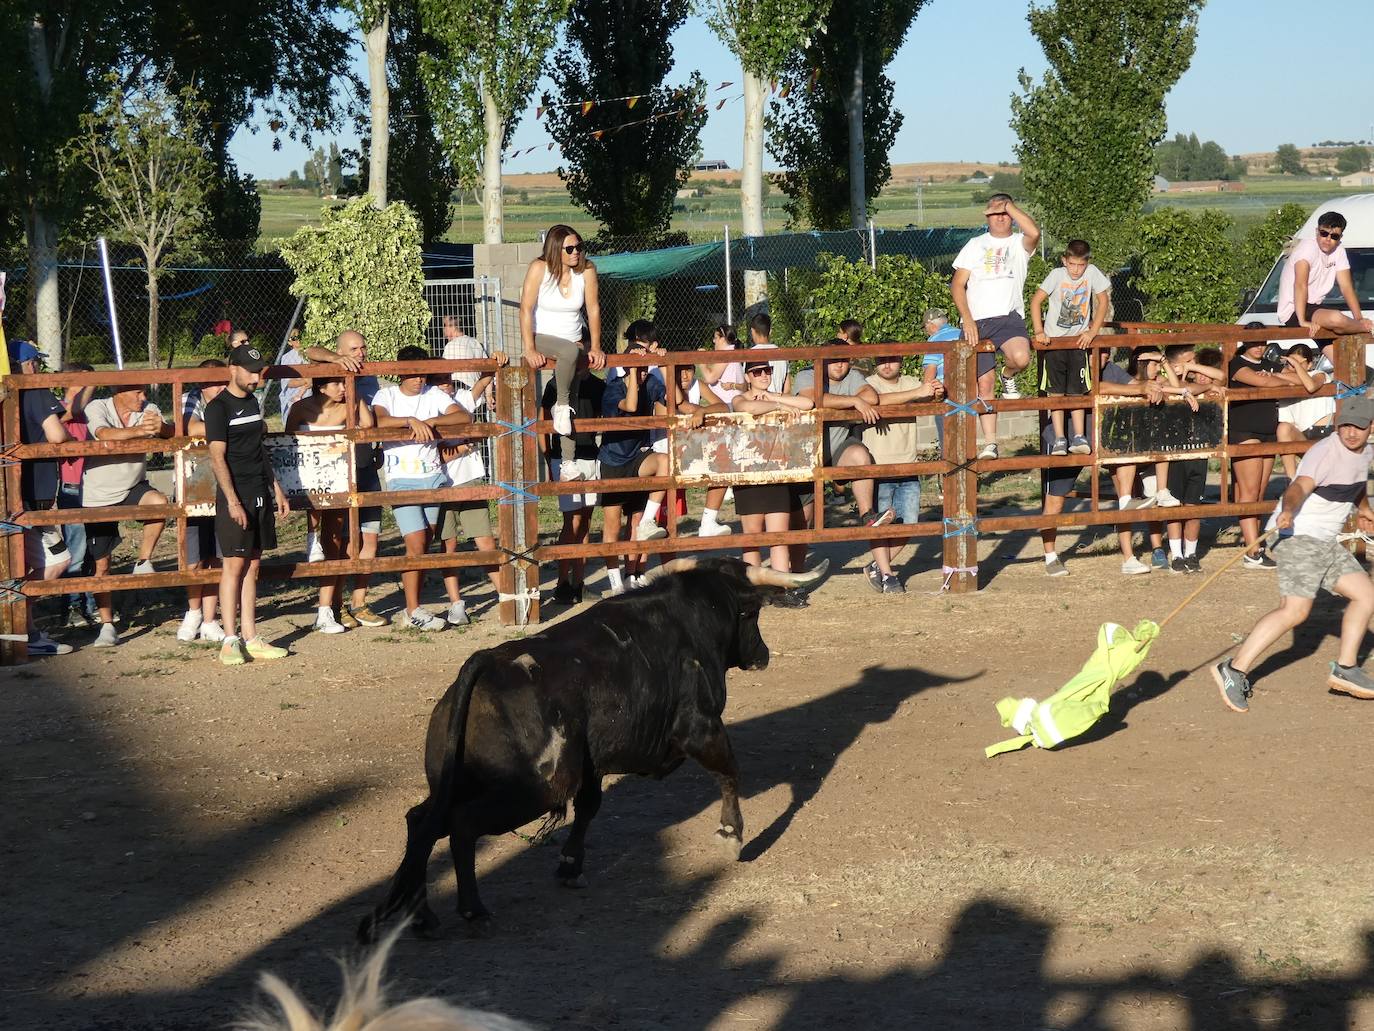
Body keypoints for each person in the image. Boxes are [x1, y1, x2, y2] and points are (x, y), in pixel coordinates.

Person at [1213, 395, 1374, 713]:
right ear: (1338, 426)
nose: (1352, 433)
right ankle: (1233, 670)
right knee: (1295, 611)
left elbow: (1355, 484)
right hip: (1297, 535)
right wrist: (1287, 510)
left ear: (1371, 428)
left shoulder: (1364, 452)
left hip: (1324, 540)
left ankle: (1345, 668)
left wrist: (1365, 510)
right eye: (1346, 426)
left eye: (1359, 427)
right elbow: (1299, 486)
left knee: (1366, 596)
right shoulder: (1326, 452)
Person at [372, 345, 473, 630]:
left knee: (424, 542)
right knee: (415, 544)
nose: (420, 380)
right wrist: (409, 421)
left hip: (432, 477)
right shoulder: (387, 395)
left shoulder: (434, 393)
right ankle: (412, 609)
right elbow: (378, 419)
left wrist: (432, 421)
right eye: (414, 374)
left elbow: (464, 417)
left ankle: (413, 607)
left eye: (423, 374)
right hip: (401, 479)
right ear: (401, 372)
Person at [204, 343, 291, 665]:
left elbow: (259, 449)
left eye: (259, 372)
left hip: (259, 492)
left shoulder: (254, 402)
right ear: (233, 370)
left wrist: (276, 488)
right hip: (235, 494)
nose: (257, 378)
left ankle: (251, 637)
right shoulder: (218, 408)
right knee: (234, 565)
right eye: (251, 372)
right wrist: (232, 501)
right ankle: (229, 639)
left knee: (253, 565)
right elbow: (216, 456)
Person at [790, 338, 896, 575]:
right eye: (835, 359)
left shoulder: (852, 377)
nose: (840, 365)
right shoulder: (807, 375)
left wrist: (858, 399)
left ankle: (867, 515)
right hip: (804, 453)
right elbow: (814, 399)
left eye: (845, 360)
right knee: (803, 520)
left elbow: (872, 398)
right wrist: (853, 401)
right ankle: (794, 576)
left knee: (860, 454)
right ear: (822, 359)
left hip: (837, 450)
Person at [303, 329, 386, 625]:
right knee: (341, 542)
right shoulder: (333, 371)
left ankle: (360, 602)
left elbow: (373, 419)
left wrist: (377, 445)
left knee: (371, 538)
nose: (361, 354)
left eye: (363, 348)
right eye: (354, 349)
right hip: (338, 472)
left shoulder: (370, 376)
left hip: (365, 466)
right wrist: (337, 359)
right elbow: (311, 350)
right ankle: (336, 606)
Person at [951, 193, 1041, 459]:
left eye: (1005, 213)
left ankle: (1009, 376)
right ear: (987, 217)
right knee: (984, 383)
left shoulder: (1019, 243)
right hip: (977, 319)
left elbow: (1033, 231)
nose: (1001, 218)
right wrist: (966, 318)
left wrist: (1010, 206)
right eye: (995, 213)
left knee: (1022, 358)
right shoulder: (975, 244)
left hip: (1008, 317)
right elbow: (958, 284)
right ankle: (990, 442)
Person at [84, 382, 172, 646]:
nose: (143, 397)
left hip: (133, 485)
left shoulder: (148, 408)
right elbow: (102, 433)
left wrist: (158, 429)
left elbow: (161, 430)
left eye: (144, 392)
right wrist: (137, 432)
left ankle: (143, 561)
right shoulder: (97, 406)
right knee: (102, 564)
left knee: (159, 503)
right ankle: (107, 625)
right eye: (137, 392)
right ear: (118, 392)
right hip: (98, 495)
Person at [285, 375, 375, 634]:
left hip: (336, 476)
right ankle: (310, 534)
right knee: (319, 524)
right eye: (336, 384)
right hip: (308, 477)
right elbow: (287, 442)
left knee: (334, 540)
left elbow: (368, 426)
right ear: (320, 387)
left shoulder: (347, 406)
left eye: (344, 383)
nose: (342, 388)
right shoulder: (300, 408)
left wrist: (356, 399)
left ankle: (325, 611)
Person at [520, 224, 605, 477]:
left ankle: (568, 462)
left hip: (574, 340)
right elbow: (525, 308)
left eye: (579, 246)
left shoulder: (587, 271)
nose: (576, 252)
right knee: (569, 358)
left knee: (571, 398)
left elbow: (593, 309)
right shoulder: (539, 268)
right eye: (570, 248)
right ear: (556, 250)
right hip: (544, 337)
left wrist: (597, 346)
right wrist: (529, 347)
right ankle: (561, 405)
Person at [862, 354, 946, 593]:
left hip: (909, 465)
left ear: (901, 361)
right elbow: (877, 401)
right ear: (874, 363)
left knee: (909, 525)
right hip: (877, 467)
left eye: (892, 359)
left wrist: (937, 391)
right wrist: (919, 392)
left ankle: (877, 566)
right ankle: (888, 575)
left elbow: (931, 396)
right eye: (881, 360)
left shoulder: (911, 382)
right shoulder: (868, 384)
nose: (887, 365)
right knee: (879, 525)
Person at [11, 340, 73, 656]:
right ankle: (23, 629)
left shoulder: (7, 394)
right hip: (34, 497)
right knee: (58, 560)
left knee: (18, 564)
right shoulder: (34, 391)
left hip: (13, 495)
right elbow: (57, 435)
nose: (38, 367)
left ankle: (24, 627)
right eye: (35, 361)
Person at [731, 360, 814, 591]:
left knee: (779, 536)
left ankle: (783, 588)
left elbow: (808, 402)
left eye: (768, 371)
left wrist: (775, 400)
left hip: (776, 470)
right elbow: (746, 408)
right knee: (752, 537)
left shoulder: (776, 395)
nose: (763, 375)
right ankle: (753, 590)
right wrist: (778, 407)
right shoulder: (739, 397)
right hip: (748, 472)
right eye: (757, 372)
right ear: (747, 377)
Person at [1228, 338, 1310, 568]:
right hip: (1244, 431)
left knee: (1260, 492)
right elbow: (1257, 380)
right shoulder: (1235, 363)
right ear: (1245, 344)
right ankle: (1252, 551)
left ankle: (1252, 540)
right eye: (1254, 343)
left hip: (1267, 431)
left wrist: (1276, 377)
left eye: (1262, 343)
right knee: (1249, 491)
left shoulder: (1268, 363)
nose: (1259, 347)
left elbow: (1299, 380)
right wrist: (1274, 379)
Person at [597, 340, 669, 595]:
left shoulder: (650, 381)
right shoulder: (613, 388)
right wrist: (633, 373)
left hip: (638, 458)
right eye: (637, 365)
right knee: (613, 524)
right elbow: (629, 405)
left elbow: (672, 401)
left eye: (644, 365)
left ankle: (632, 574)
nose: (643, 370)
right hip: (613, 461)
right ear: (626, 367)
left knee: (638, 518)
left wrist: (664, 364)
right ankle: (615, 582)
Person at [430, 374, 500, 626]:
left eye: (448, 379)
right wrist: (464, 447)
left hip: (469, 480)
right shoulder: (428, 404)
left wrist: (490, 365)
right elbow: (437, 457)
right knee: (448, 544)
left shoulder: (460, 398)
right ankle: (456, 603)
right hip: (441, 483)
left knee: (485, 540)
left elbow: (482, 383)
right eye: (439, 381)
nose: (446, 385)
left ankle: (505, 593)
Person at [1031, 239, 1110, 457]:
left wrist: (1092, 331)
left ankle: (1079, 436)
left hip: (1078, 342)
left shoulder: (1092, 273)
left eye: (1080, 265)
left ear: (1087, 263)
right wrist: (1039, 331)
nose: (1076, 270)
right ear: (1064, 260)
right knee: (1055, 392)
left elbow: (1103, 301)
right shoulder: (1057, 275)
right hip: (1055, 342)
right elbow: (1036, 301)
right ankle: (1059, 438)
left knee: (1078, 389)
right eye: (1072, 264)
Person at [541, 352, 604, 604]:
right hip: (564, 458)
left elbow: (605, 419)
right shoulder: (555, 384)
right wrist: (547, 457)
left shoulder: (598, 385)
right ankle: (562, 582)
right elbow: (542, 420)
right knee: (572, 521)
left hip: (590, 454)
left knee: (586, 519)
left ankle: (579, 582)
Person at [1160, 346, 1226, 573]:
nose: (1203, 375)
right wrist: (1203, 382)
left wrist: (1196, 372)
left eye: (1205, 370)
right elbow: (1182, 389)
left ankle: (1191, 554)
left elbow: (1221, 377)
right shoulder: (1175, 383)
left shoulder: (1208, 385)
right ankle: (1176, 555)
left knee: (1193, 505)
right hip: (1176, 452)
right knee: (1175, 505)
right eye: (1193, 366)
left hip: (1199, 452)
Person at [177, 359, 230, 643]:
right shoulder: (189, 399)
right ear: (201, 384)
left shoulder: (236, 398)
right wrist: (227, 426)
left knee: (218, 557)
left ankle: (210, 619)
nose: (221, 387)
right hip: (193, 486)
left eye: (224, 381)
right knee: (194, 558)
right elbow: (190, 427)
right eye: (214, 382)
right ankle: (193, 611)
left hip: (224, 486)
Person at [1276, 211, 1372, 356]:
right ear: (1317, 231)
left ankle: (1359, 327)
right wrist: (1302, 320)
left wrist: (1358, 317)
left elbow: (1346, 287)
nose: (1327, 239)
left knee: (1342, 360)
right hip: (1294, 309)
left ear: (1340, 237)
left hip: (1315, 307)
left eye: (1334, 236)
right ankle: (1366, 328)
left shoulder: (1339, 251)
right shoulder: (1307, 249)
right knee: (1336, 318)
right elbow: (1300, 285)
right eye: (1324, 233)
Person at [653, 363, 732, 537]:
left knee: (723, 463)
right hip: (665, 453)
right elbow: (681, 408)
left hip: (689, 451)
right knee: (664, 523)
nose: (684, 375)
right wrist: (697, 411)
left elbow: (723, 407)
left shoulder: (697, 385)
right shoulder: (663, 389)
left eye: (688, 370)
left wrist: (703, 411)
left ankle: (708, 522)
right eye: (679, 371)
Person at [56, 361, 97, 629]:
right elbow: (72, 410)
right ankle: (72, 606)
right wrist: (90, 382)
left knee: (90, 548)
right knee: (76, 549)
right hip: (69, 486)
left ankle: (89, 604)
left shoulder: (87, 413)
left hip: (88, 486)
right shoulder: (61, 408)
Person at [1275, 343, 1334, 481]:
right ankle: (1291, 480)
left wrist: (1293, 366)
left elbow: (1311, 386)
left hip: (1322, 433)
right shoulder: (1283, 380)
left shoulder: (1318, 374)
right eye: (1290, 363)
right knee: (1283, 428)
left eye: (1300, 363)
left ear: (1309, 365)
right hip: (1300, 435)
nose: (1294, 367)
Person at [922, 308, 961, 452]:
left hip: (945, 395)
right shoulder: (961, 333)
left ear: (931, 324)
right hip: (967, 393)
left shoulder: (934, 339)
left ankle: (950, 471)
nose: (926, 332)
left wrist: (925, 394)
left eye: (925, 328)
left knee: (947, 440)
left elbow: (930, 373)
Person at [277, 326, 309, 420]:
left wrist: (307, 381)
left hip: (308, 394)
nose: (298, 340)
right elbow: (289, 383)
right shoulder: (286, 357)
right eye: (294, 338)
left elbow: (311, 380)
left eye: (300, 336)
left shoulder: (309, 353)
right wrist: (305, 381)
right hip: (292, 395)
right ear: (289, 342)